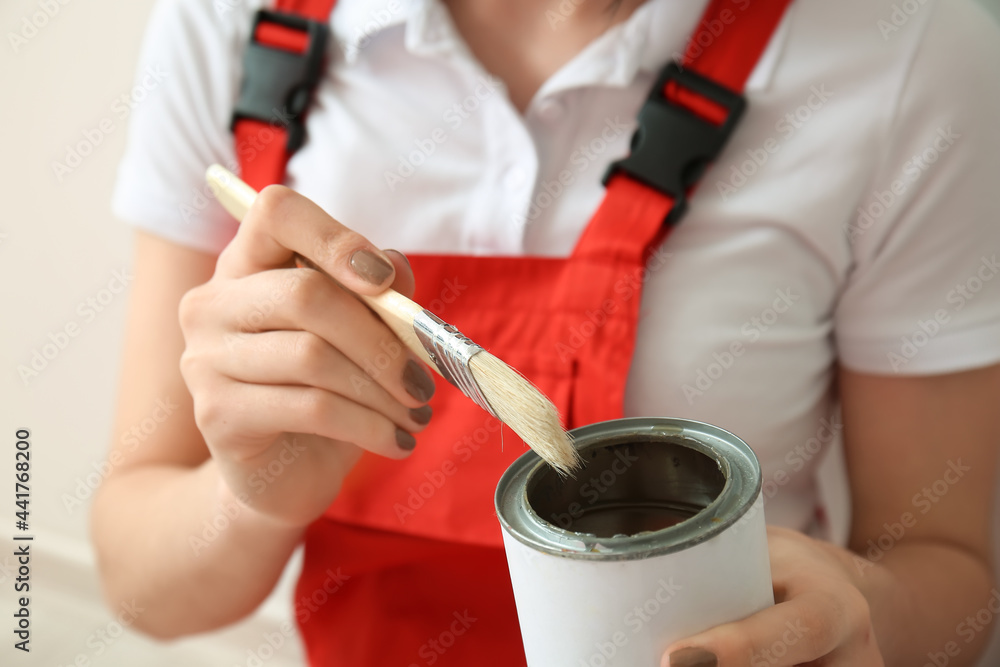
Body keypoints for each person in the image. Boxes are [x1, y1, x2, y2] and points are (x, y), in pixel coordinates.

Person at [92, 0, 1000, 665]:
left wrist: (863, 611)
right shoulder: (232, 27)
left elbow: (953, 569)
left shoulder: (911, 46)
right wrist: (249, 497)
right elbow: (143, 586)